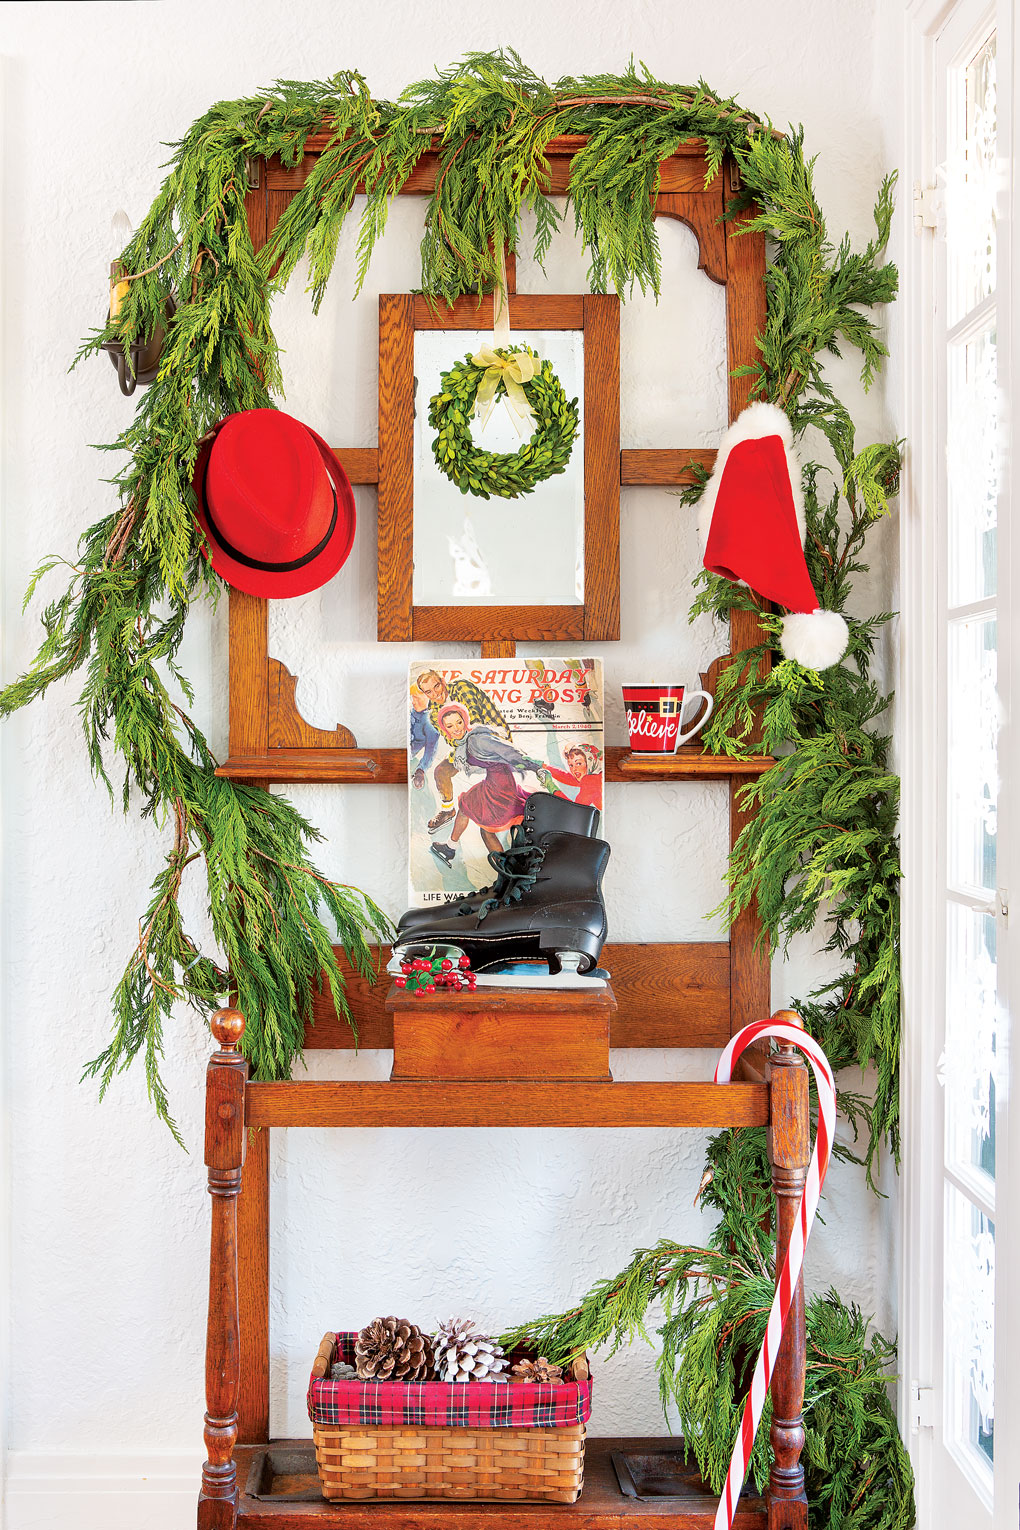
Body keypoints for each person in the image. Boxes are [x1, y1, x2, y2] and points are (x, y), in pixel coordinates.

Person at [429, 703, 544, 868]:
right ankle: (450, 847)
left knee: (487, 830)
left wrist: (535, 767)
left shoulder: (477, 739)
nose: (456, 728)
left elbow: (508, 751)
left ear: (465, 720)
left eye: (459, 722)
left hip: (500, 787)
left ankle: (506, 872)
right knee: (465, 806)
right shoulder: (464, 743)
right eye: (450, 726)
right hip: (494, 781)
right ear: (445, 729)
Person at [416, 669, 513, 833]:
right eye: (428, 692)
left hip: (495, 742)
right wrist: (459, 747)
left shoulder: (462, 688)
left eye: (437, 686)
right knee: (441, 772)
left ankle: (508, 818)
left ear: (443, 682)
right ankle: (448, 810)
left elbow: (474, 724)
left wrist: (460, 741)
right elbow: (449, 738)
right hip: (466, 746)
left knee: (496, 787)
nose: (435, 693)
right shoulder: (433, 711)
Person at [544, 744, 603, 812]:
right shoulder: (596, 775)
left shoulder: (590, 781)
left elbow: (574, 808)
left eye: (578, 763)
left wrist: (551, 786)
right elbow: (568, 778)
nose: (574, 769)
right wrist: (545, 767)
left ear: (589, 762)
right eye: (571, 765)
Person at [409, 685, 440, 791]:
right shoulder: (412, 712)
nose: (413, 702)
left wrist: (421, 770)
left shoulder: (430, 723)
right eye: (412, 698)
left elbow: (430, 750)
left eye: (416, 698)